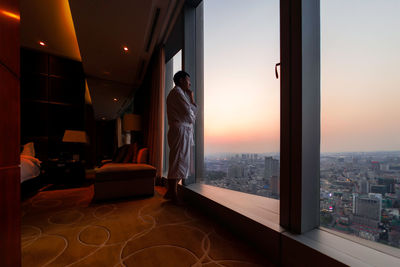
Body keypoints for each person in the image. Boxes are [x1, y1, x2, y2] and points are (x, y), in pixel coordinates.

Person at [164, 71, 197, 201]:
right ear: (182, 80)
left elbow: (190, 115)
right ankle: (173, 193)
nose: (190, 83)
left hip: (181, 130)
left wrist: (191, 107)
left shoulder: (178, 93)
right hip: (181, 131)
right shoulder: (177, 93)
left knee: (179, 161)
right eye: (188, 80)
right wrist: (192, 99)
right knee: (178, 162)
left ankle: (171, 192)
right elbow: (190, 116)